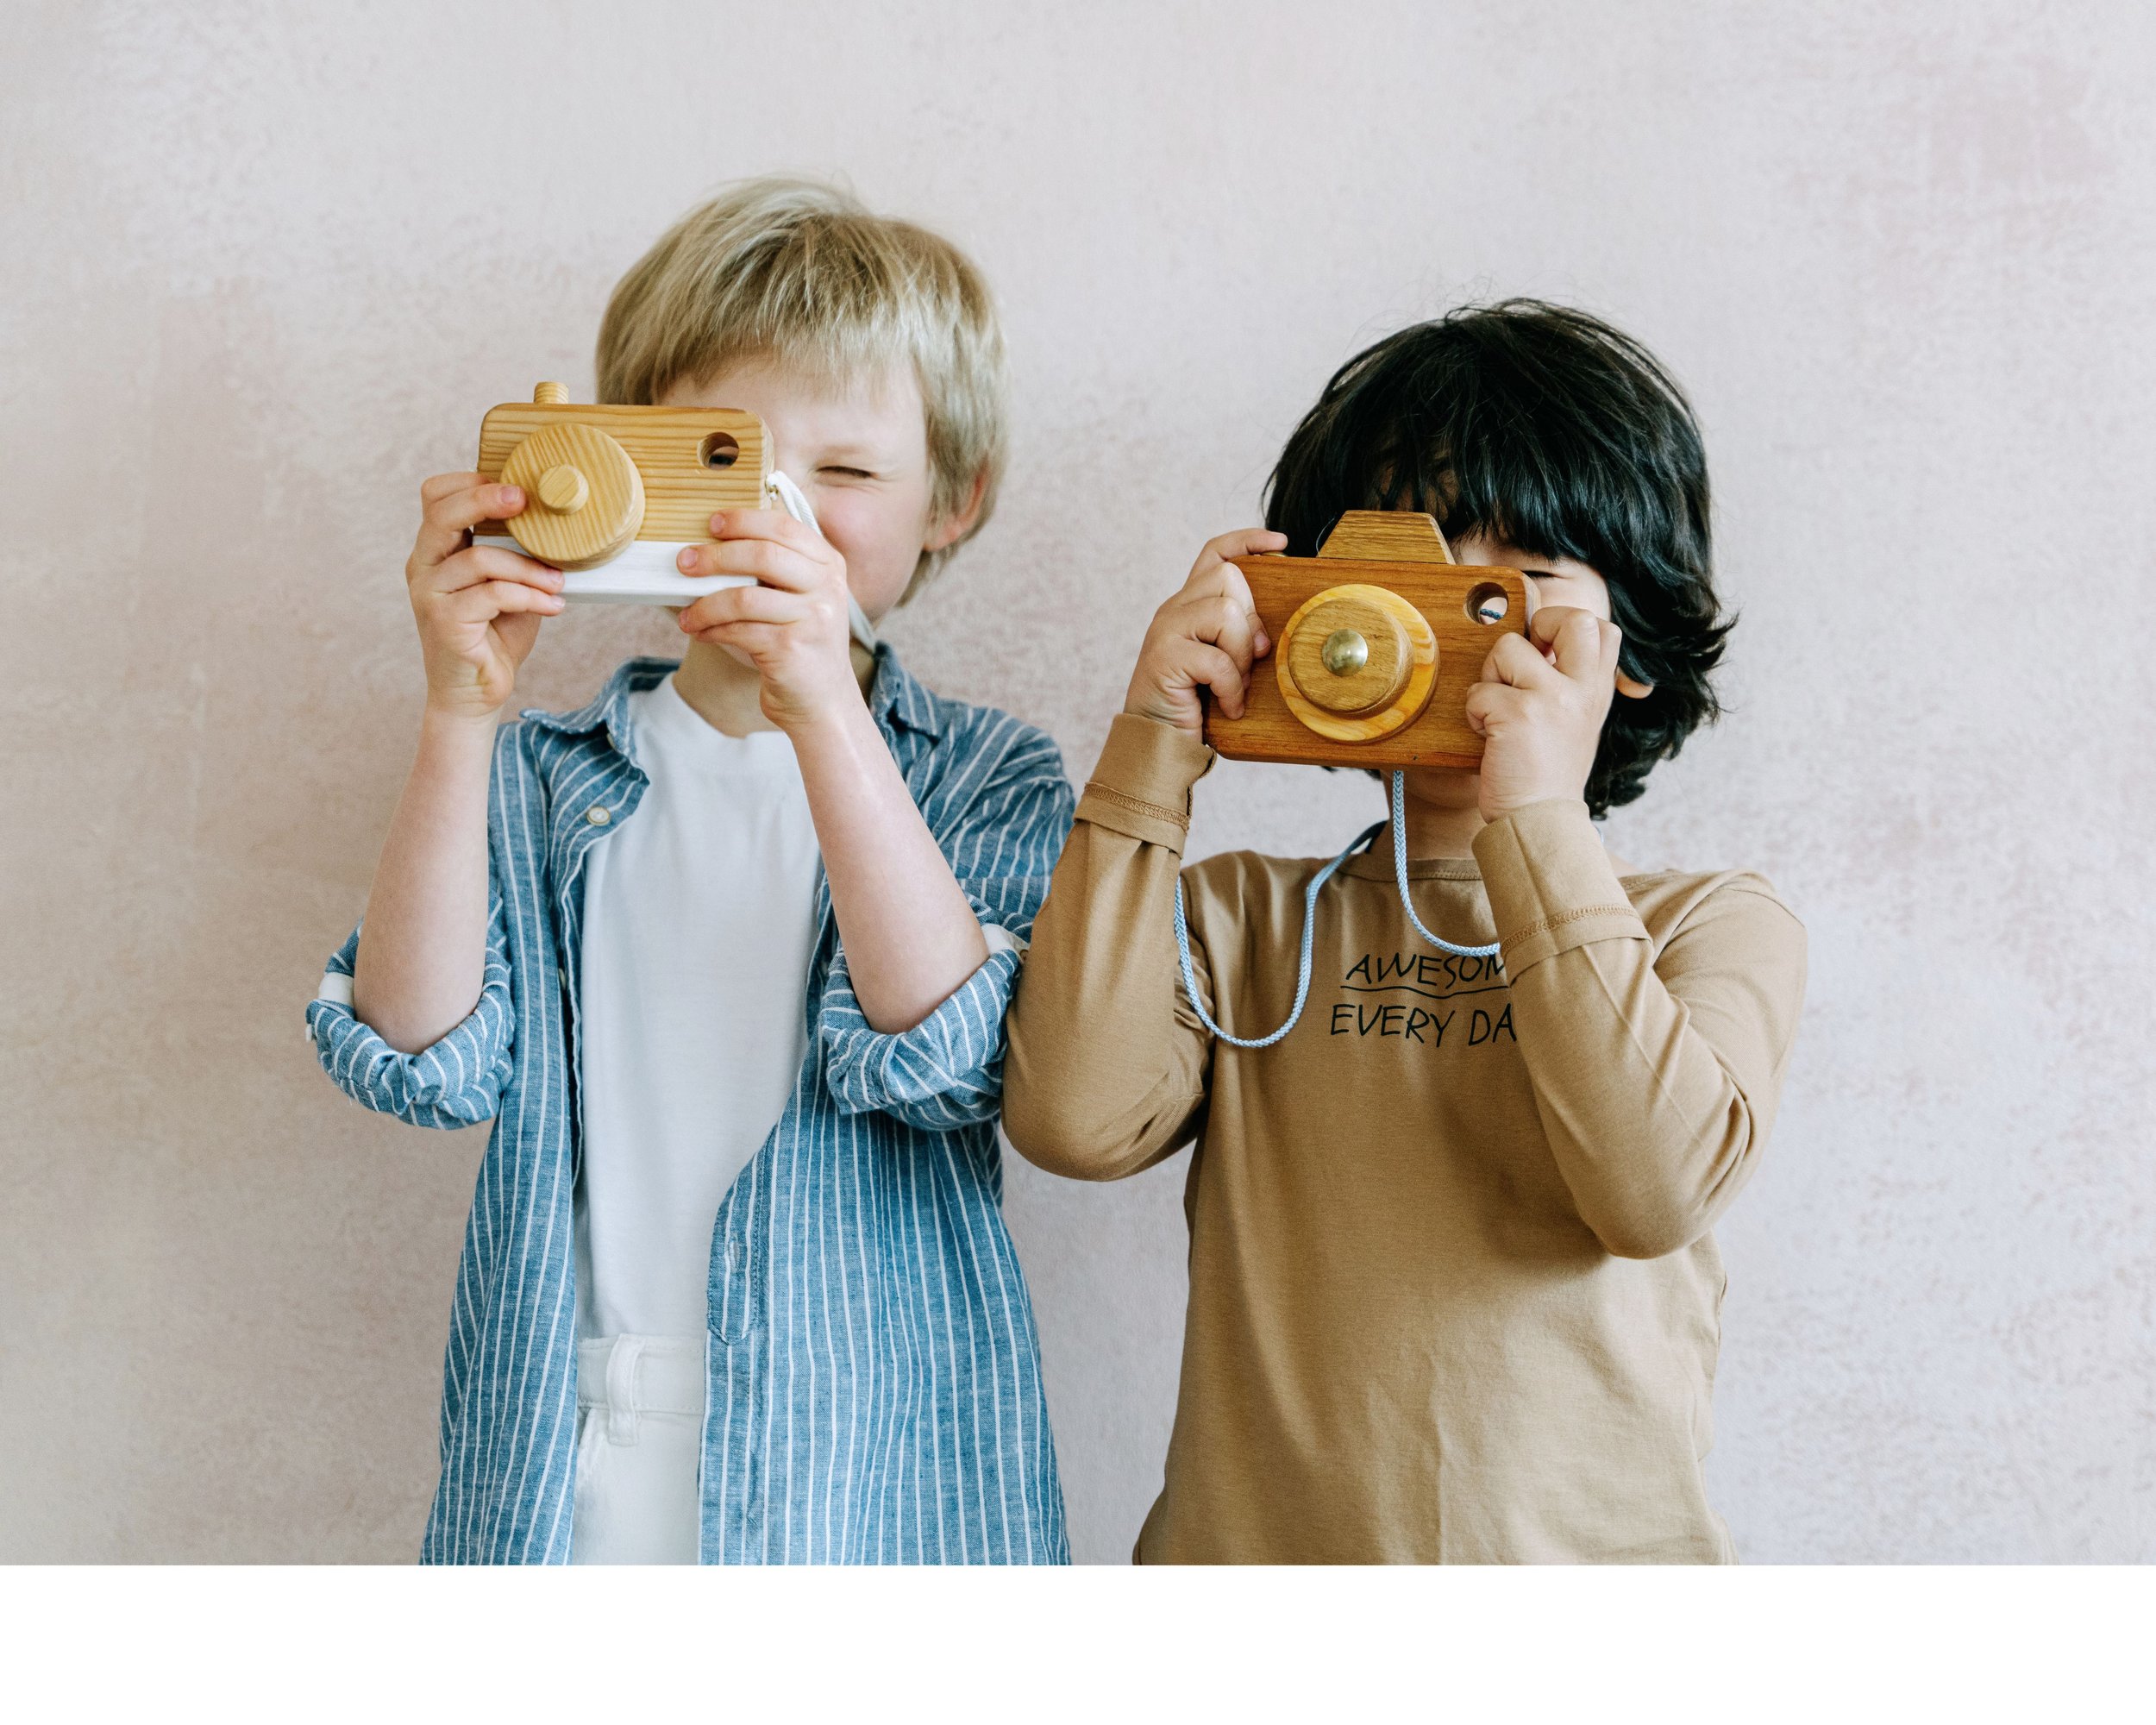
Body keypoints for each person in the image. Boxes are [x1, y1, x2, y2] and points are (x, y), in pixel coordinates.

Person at [309, 179, 1070, 1564]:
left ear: (951, 504)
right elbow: (418, 1056)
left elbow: (956, 1060)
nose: (777, 516)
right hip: (568, 1448)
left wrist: (824, 705)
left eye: (842, 476)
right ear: (609, 466)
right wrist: (460, 713)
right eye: (723, 463)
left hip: (874, 1465)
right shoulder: (541, 774)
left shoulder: (987, 778)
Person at [1003, 301, 1808, 1563]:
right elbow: (1072, 1121)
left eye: (1516, 587)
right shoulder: (1240, 923)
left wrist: (1532, 810)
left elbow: (1650, 1191)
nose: (1456, 634)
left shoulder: (1710, 927)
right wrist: (1155, 740)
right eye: (1405, 583)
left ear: (1632, 648)